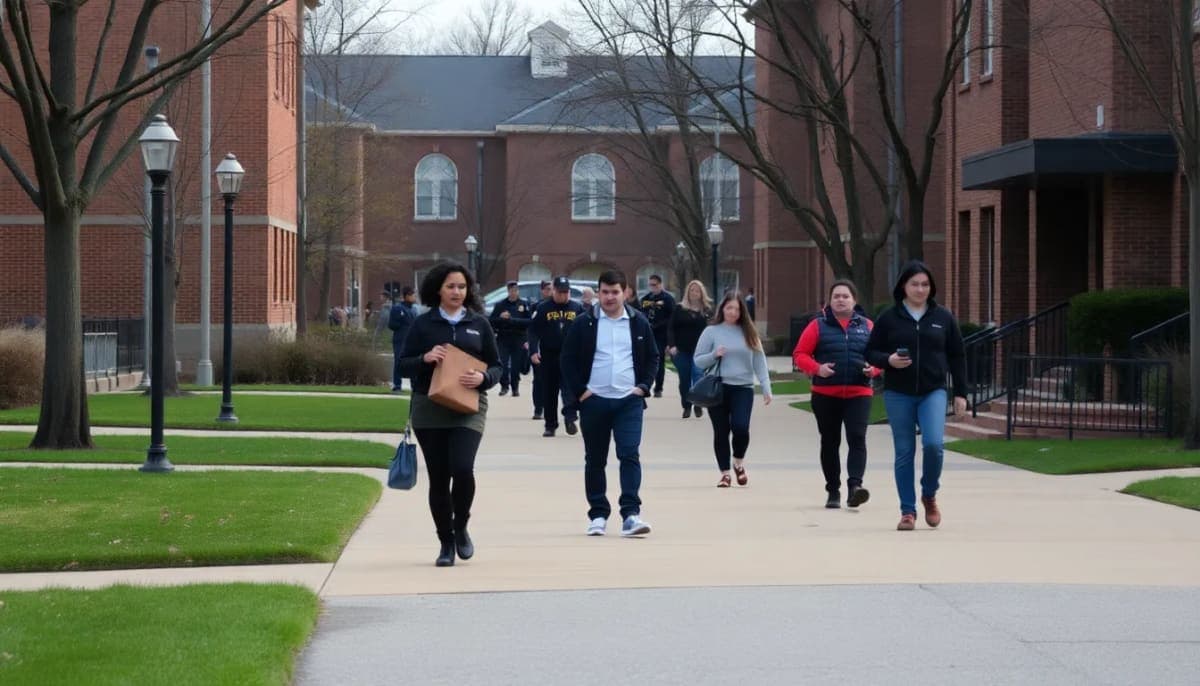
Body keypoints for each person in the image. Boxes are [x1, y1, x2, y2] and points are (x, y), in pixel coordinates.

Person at [397, 262, 501, 567]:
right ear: (438, 290)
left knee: (463, 468)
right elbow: (402, 365)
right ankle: (445, 542)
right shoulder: (423, 324)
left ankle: (461, 527)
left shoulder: (479, 324)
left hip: (469, 408)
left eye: (462, 287)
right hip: (430, 409)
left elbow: (496, 366)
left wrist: (484, 380)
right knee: (439, 478)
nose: (457, 292)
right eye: (451, 286)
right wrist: (426, 358)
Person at [865, 260, 968, 531]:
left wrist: (961, 393)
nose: (920, 289)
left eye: (925, 284)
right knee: (904, 451)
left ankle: (929, 494)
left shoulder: (943, 317)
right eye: (915, 284)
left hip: (933, 391)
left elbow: (957, 355)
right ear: (903, 286)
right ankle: (907, 511)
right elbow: (870, 352)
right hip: (899, 393)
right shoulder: (889, 317)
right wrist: (887, 360)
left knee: (934, 445)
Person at [561, 270, 658, 537]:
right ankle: (598, 515)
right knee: (595, 459)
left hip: (629, 401)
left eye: (615, 292)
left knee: (629, 454)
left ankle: (630, 515)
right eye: (605, 292)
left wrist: (643, 387)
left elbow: (652, 357)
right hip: (594, 401)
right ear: (599, 293)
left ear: (625, 293)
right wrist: (580, 392)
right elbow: (567, 360)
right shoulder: (584, 323)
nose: (609, 297)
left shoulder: (638, 322)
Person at [792, 280, 880, 509]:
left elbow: (880, 355)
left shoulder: (868, 326)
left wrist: (875, 369)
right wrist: (817, 369)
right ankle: (833, 490)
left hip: (859, 392)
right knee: (830, 441)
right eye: (836, 296)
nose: (840, 300)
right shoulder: (817, 326)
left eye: (845, 296)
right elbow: (800, 354)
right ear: (829, 301)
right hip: (825, 393)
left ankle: (855, 487)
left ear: (854, 300)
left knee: (857, 438)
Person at [693, 291, 772, 487]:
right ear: (722, 309)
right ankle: (725, 473)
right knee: (721, 431)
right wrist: (714, 354)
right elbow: (698, 360)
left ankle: (738, 461)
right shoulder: (711, 332)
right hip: (718, 387)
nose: (733, 312)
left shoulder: (749, 332)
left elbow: (759, 362)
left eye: (737, 309)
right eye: (729, 308)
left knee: (741, 428)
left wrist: (766, 386)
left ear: (742, 311)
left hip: (743, 388)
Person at [528, 276, 585, 437]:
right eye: (560, 292)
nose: (564, 295)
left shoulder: (577, 308)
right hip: (549, 355)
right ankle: (550, 425)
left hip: (570, 356)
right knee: (549, 391)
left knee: (570, 388)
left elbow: (586, 331)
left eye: (566, 292)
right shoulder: (543, 308)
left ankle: (570, 417)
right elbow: (533, 331)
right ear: (553, 291)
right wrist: (533, 351)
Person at [667, 279, 713, 419]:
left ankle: (697, 403)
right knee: (685, 380)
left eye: (697, 290)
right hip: (681, 350)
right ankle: (686, 406)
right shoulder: (679, 309)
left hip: (700, 351)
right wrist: (672, 345)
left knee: (698, 377)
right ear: (688, 292)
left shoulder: (707, 310)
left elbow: (713, 330)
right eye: (692, 290)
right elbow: (671, 328)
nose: (694, 293)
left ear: (701, 293)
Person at [488, 280, 532, 397]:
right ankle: (504, 386)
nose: (514, 293)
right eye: (511, 290)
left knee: (516, 365)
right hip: (504, 337)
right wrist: (501, 318)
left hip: (519, 337)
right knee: (502, 363)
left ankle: (515, 387)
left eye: (516, 290)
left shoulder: (524, 304)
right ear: (508, 291)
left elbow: (529, 322)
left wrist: (512, 320)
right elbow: (491, 321)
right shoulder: (500, 305)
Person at [639, 275, 675, 398]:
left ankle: (658, 388)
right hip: (648, 333)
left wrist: (658, 325)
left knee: (658, 360)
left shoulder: (668, 299)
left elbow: (671, 318)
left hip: (661, 334)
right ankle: (645, 384)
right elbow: (641, 313)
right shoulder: (645, 299)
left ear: (660, 284)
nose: (652, 287)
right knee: (644, 359)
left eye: (654, 285)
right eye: (650, 285)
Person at [528, 279, 554, 421]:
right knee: (538, 380)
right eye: (547, 289)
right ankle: (538, 408)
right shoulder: (537, 307)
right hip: (540, 349)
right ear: (542, 291)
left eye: (552, 289)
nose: (550, 292)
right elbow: (532, 329)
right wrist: (532, 348)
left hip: (556, 351)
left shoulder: (563, 307)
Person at [387, 286, 416, 393]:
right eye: (413, 295)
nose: (414, 297)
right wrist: (402, 326)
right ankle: (397, 385)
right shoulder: (397, 308)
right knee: (399, 361)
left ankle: (414, 385)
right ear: (407, 296)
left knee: (413, 362)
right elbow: (392, 324)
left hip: (411, 340)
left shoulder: (413, 309)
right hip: (400, 339)